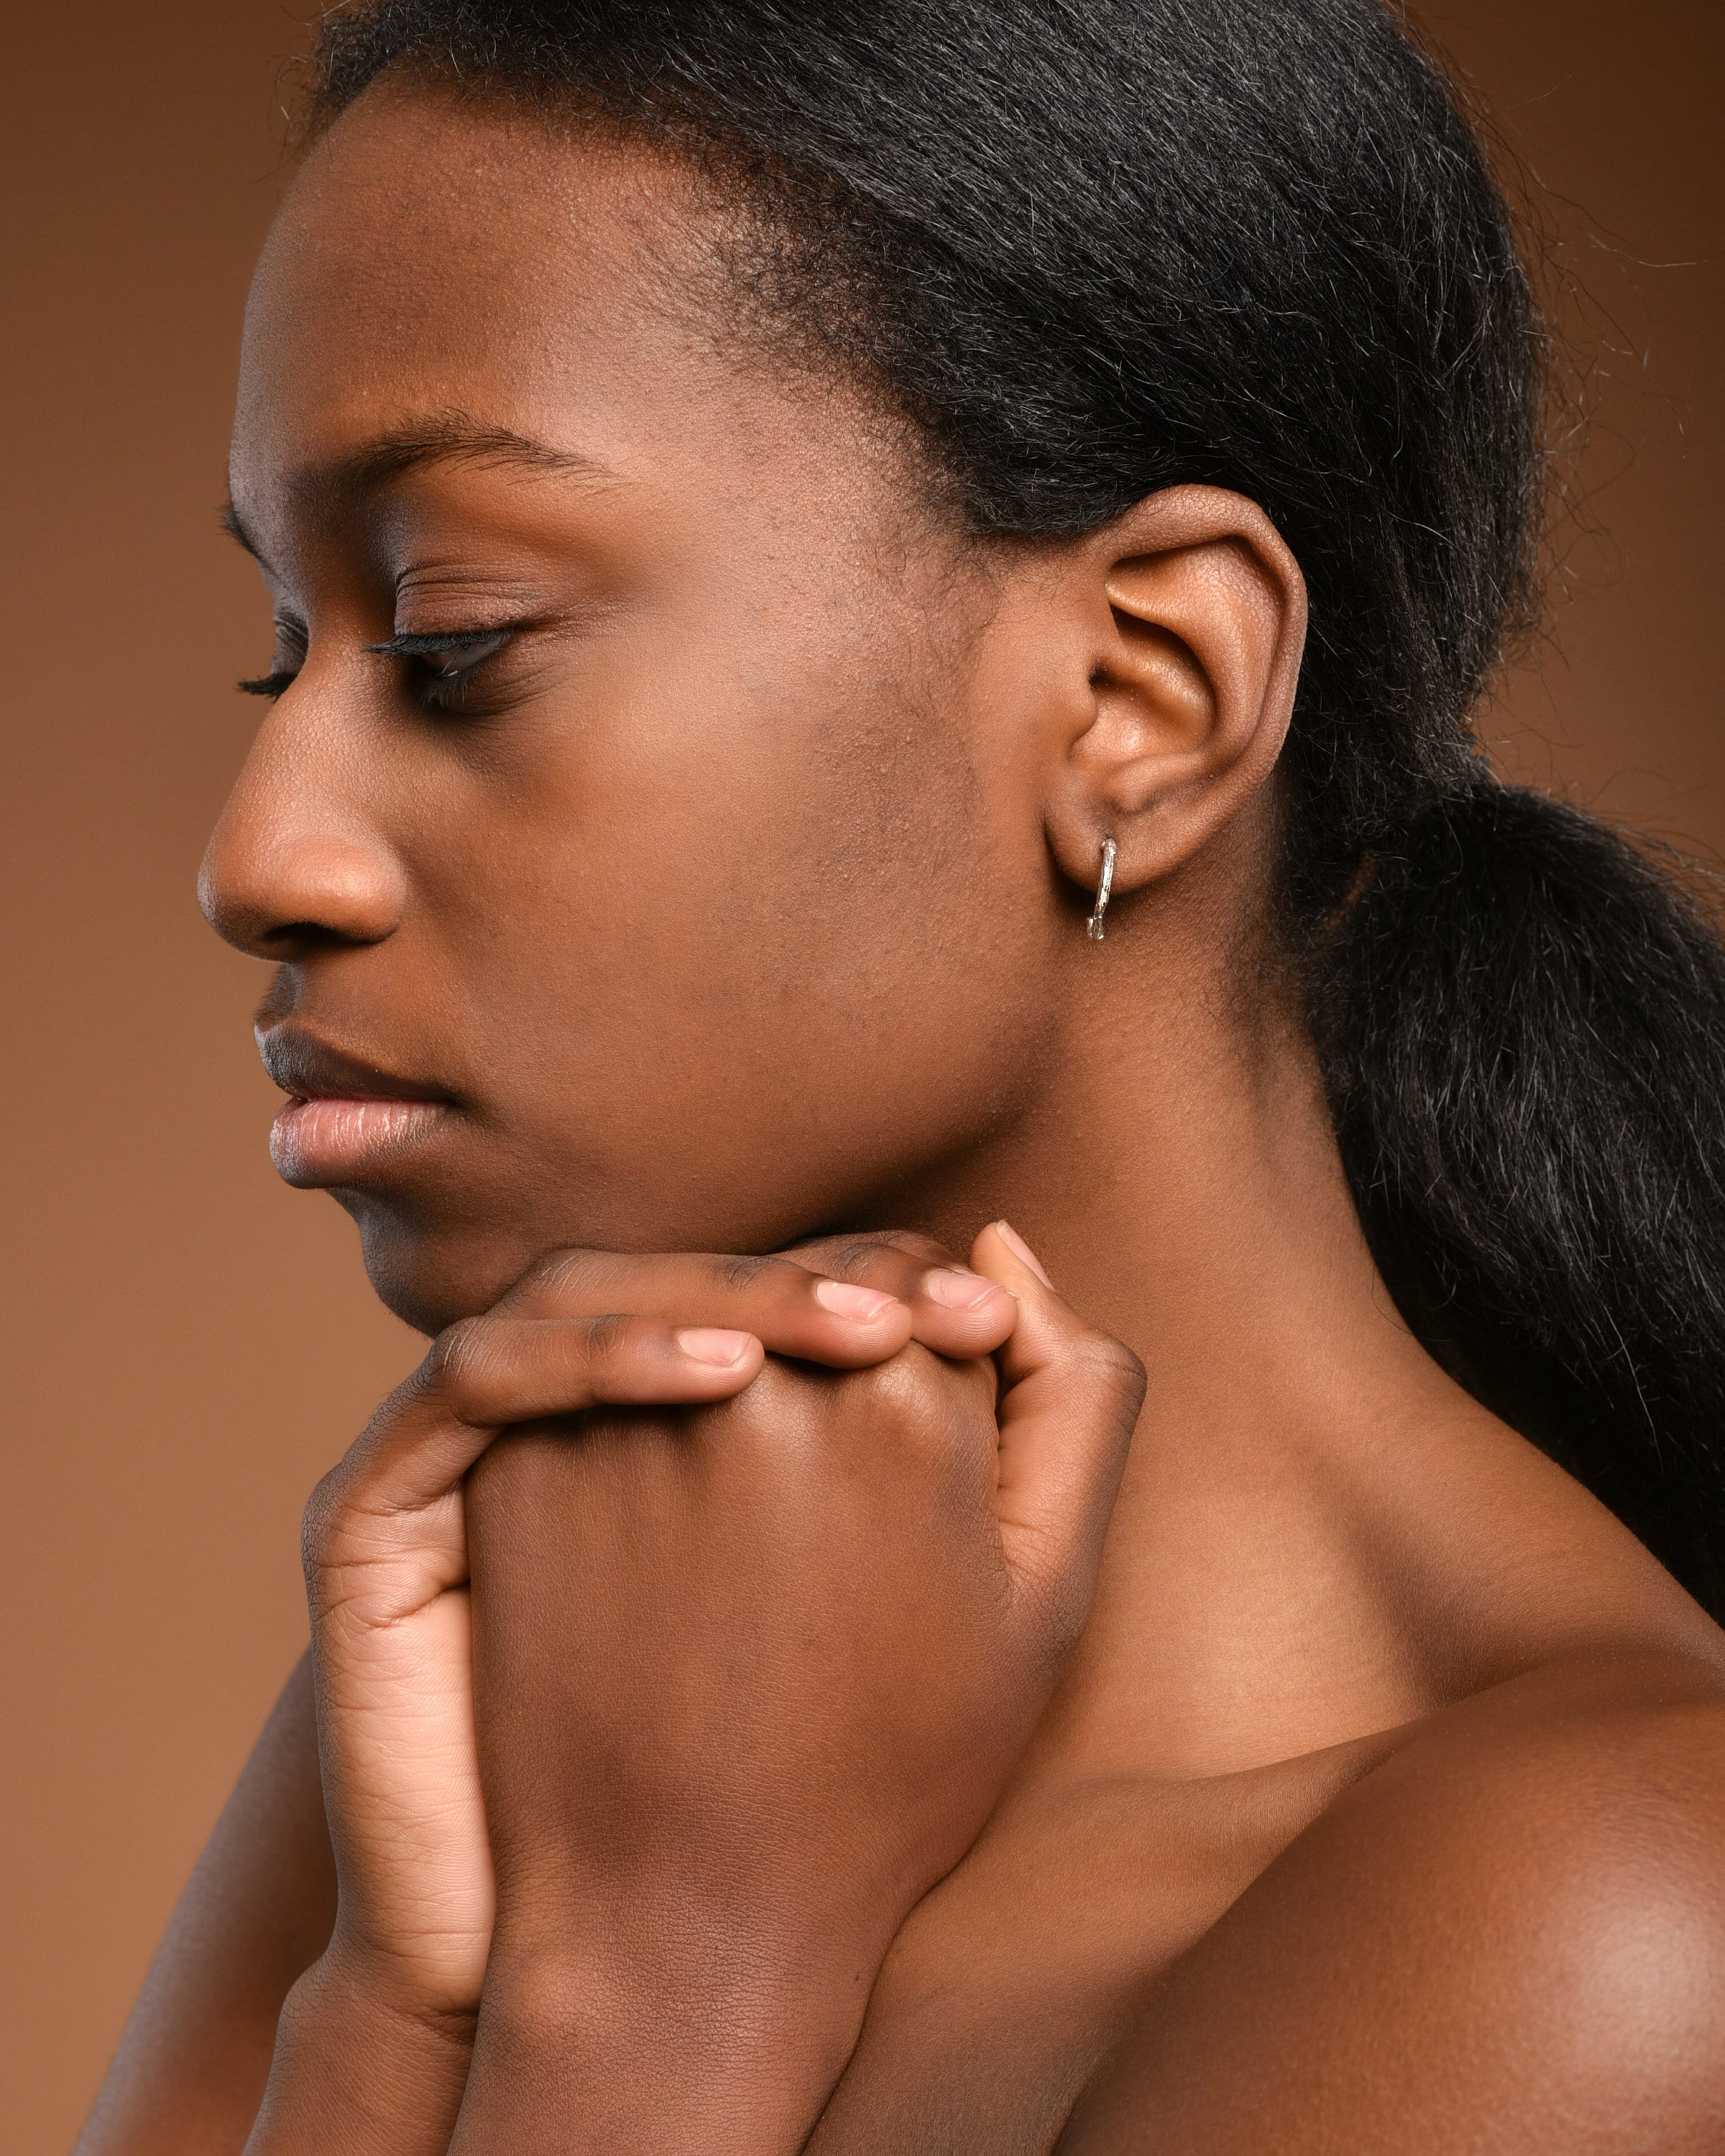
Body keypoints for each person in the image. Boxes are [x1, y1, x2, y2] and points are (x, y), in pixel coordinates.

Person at [78, 2, 1725, 2150]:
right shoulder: (521, 1674)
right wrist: (401, 2000)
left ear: (1144, 690)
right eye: (282, 651)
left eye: (455, 638)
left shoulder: (1611, 1923)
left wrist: (661, 1984)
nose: (256, 859)